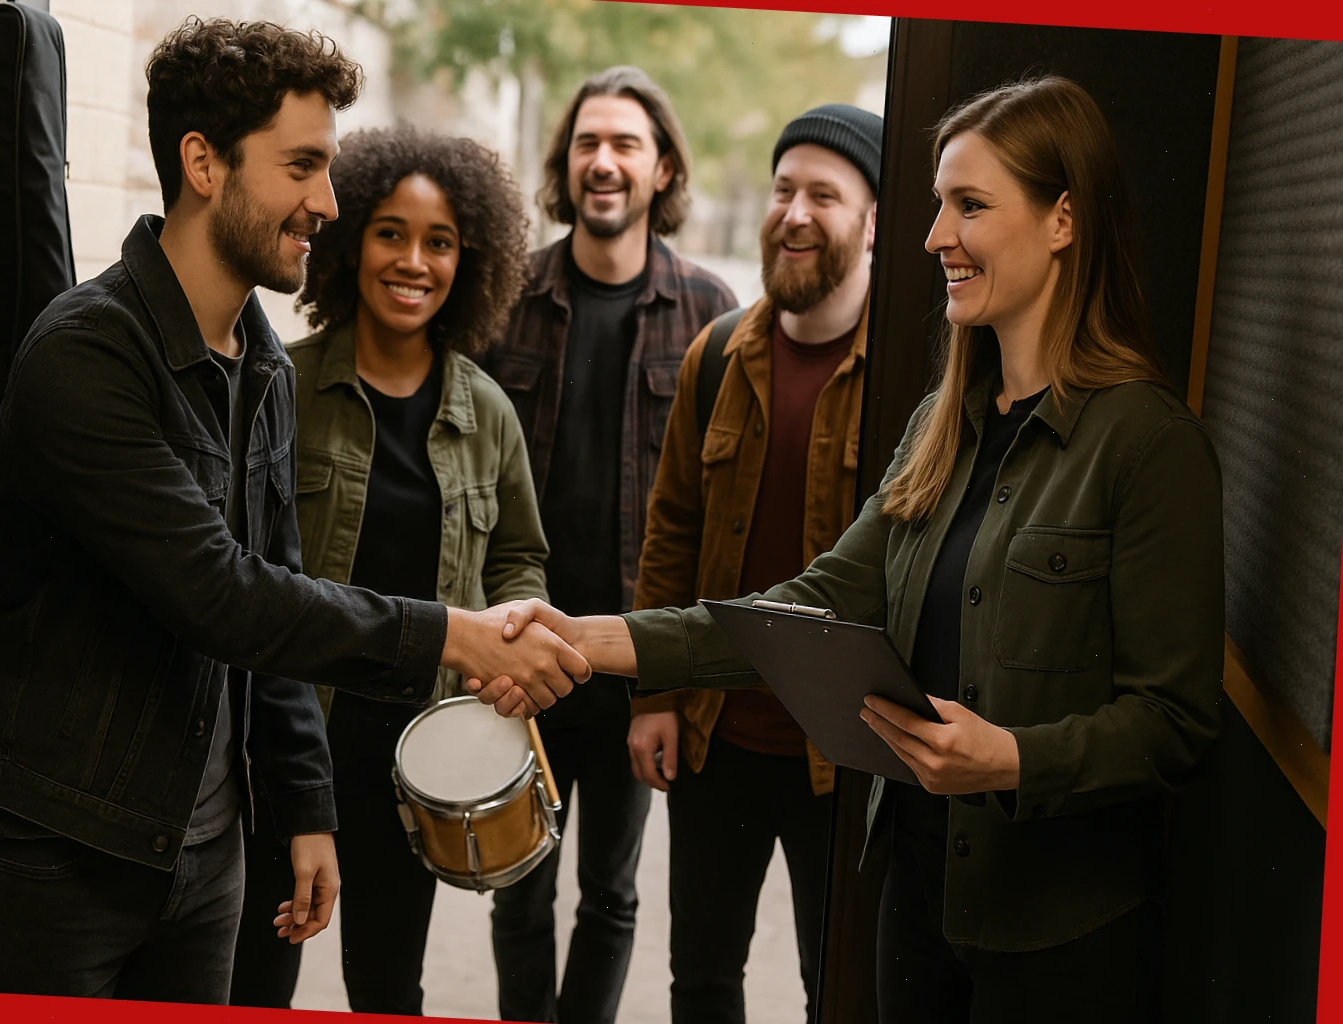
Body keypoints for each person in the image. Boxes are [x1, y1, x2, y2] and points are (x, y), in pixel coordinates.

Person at [475, 75, 1224, 1024]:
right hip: (916, 896)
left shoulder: (1149, 445)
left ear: (1063, 220)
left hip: (1057, 937)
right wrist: (581, 638)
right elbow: (807, 605)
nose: (935, 235)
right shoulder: (941, 428)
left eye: (971, 205)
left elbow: (1174, 722)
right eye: (938, 205)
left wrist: (1011, 759)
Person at [0, 18, 585, 1005]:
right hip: (64, 849)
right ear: (203, 163)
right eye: (302, 167)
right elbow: (223, 594)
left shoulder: (260, 363)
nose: (327, 203)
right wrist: (453, 634)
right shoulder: (87, 354)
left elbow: (280, 598)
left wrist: (302, 805)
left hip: (207, 853)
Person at [227, 125, 546, 1014]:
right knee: (254, 982)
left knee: (387, 985)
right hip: (287, 743)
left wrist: (514, 637)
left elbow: (519, 558)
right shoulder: (280, 386)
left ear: (468, 263)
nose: (413, 261)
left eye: (439, 241)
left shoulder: (487, 412)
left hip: (415, 755)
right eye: (390, 234)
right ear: (351, 243)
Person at [478, 65, 737, 1024]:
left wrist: (673, 678)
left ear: (662, 168)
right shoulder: (508, 294)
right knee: (518, 886)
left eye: (627, 143)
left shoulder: (710, 312)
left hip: (630, 661)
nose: (604, 161)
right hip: (524, 649)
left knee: (611, 893)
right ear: (566, 163)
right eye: (588, 141)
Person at [626, 103, 882, 1024]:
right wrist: (654, 695)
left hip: (846, 752)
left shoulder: (909, 370)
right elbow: (672, 532)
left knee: (837, 989)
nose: (794, 213)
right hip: (717, 737)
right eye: (782, 190)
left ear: (873, 221)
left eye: (824, 194)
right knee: (700, 980)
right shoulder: (717, 355)